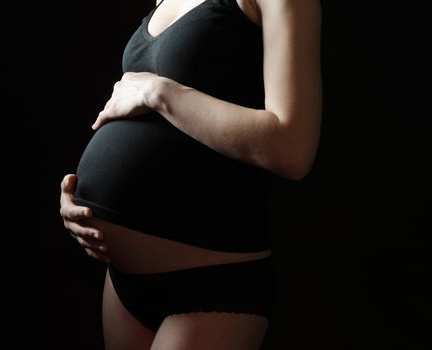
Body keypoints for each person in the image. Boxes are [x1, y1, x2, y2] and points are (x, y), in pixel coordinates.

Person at [59, 0, 322, 349]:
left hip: (212, 284)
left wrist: (161, 93)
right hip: (123, 283)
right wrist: (80, 198)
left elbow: (292, 147)